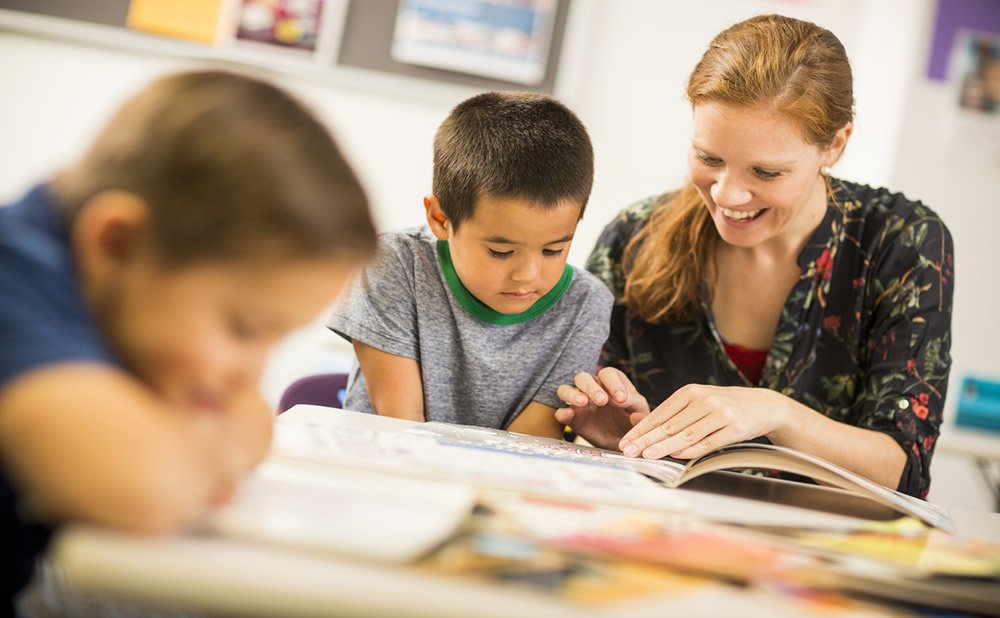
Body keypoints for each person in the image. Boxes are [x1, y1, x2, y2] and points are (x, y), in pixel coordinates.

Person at [0, 70, 376, 613]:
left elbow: (253, 426)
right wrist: (185, 446)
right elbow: (142, 489)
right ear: (118, 245)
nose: (251, 372)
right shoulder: (14, 281)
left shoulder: (116, 296)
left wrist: (184, 435)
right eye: (244, 329)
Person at [557, 14, 953, 499]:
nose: (728, 194)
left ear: (834, 146)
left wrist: (776, 412)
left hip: (821, 554)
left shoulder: (901, 242)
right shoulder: (633, 238)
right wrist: (608, 434)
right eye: (709, 158)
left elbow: (904, 469)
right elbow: (565, 418)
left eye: (765, 172)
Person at [328, 91, 613, 438]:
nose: (528, 275)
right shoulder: (392, 265)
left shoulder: (587, 305)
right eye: (500, 252)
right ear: (440, 218)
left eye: (553, 250)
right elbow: (400, 427)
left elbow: (528, 448)